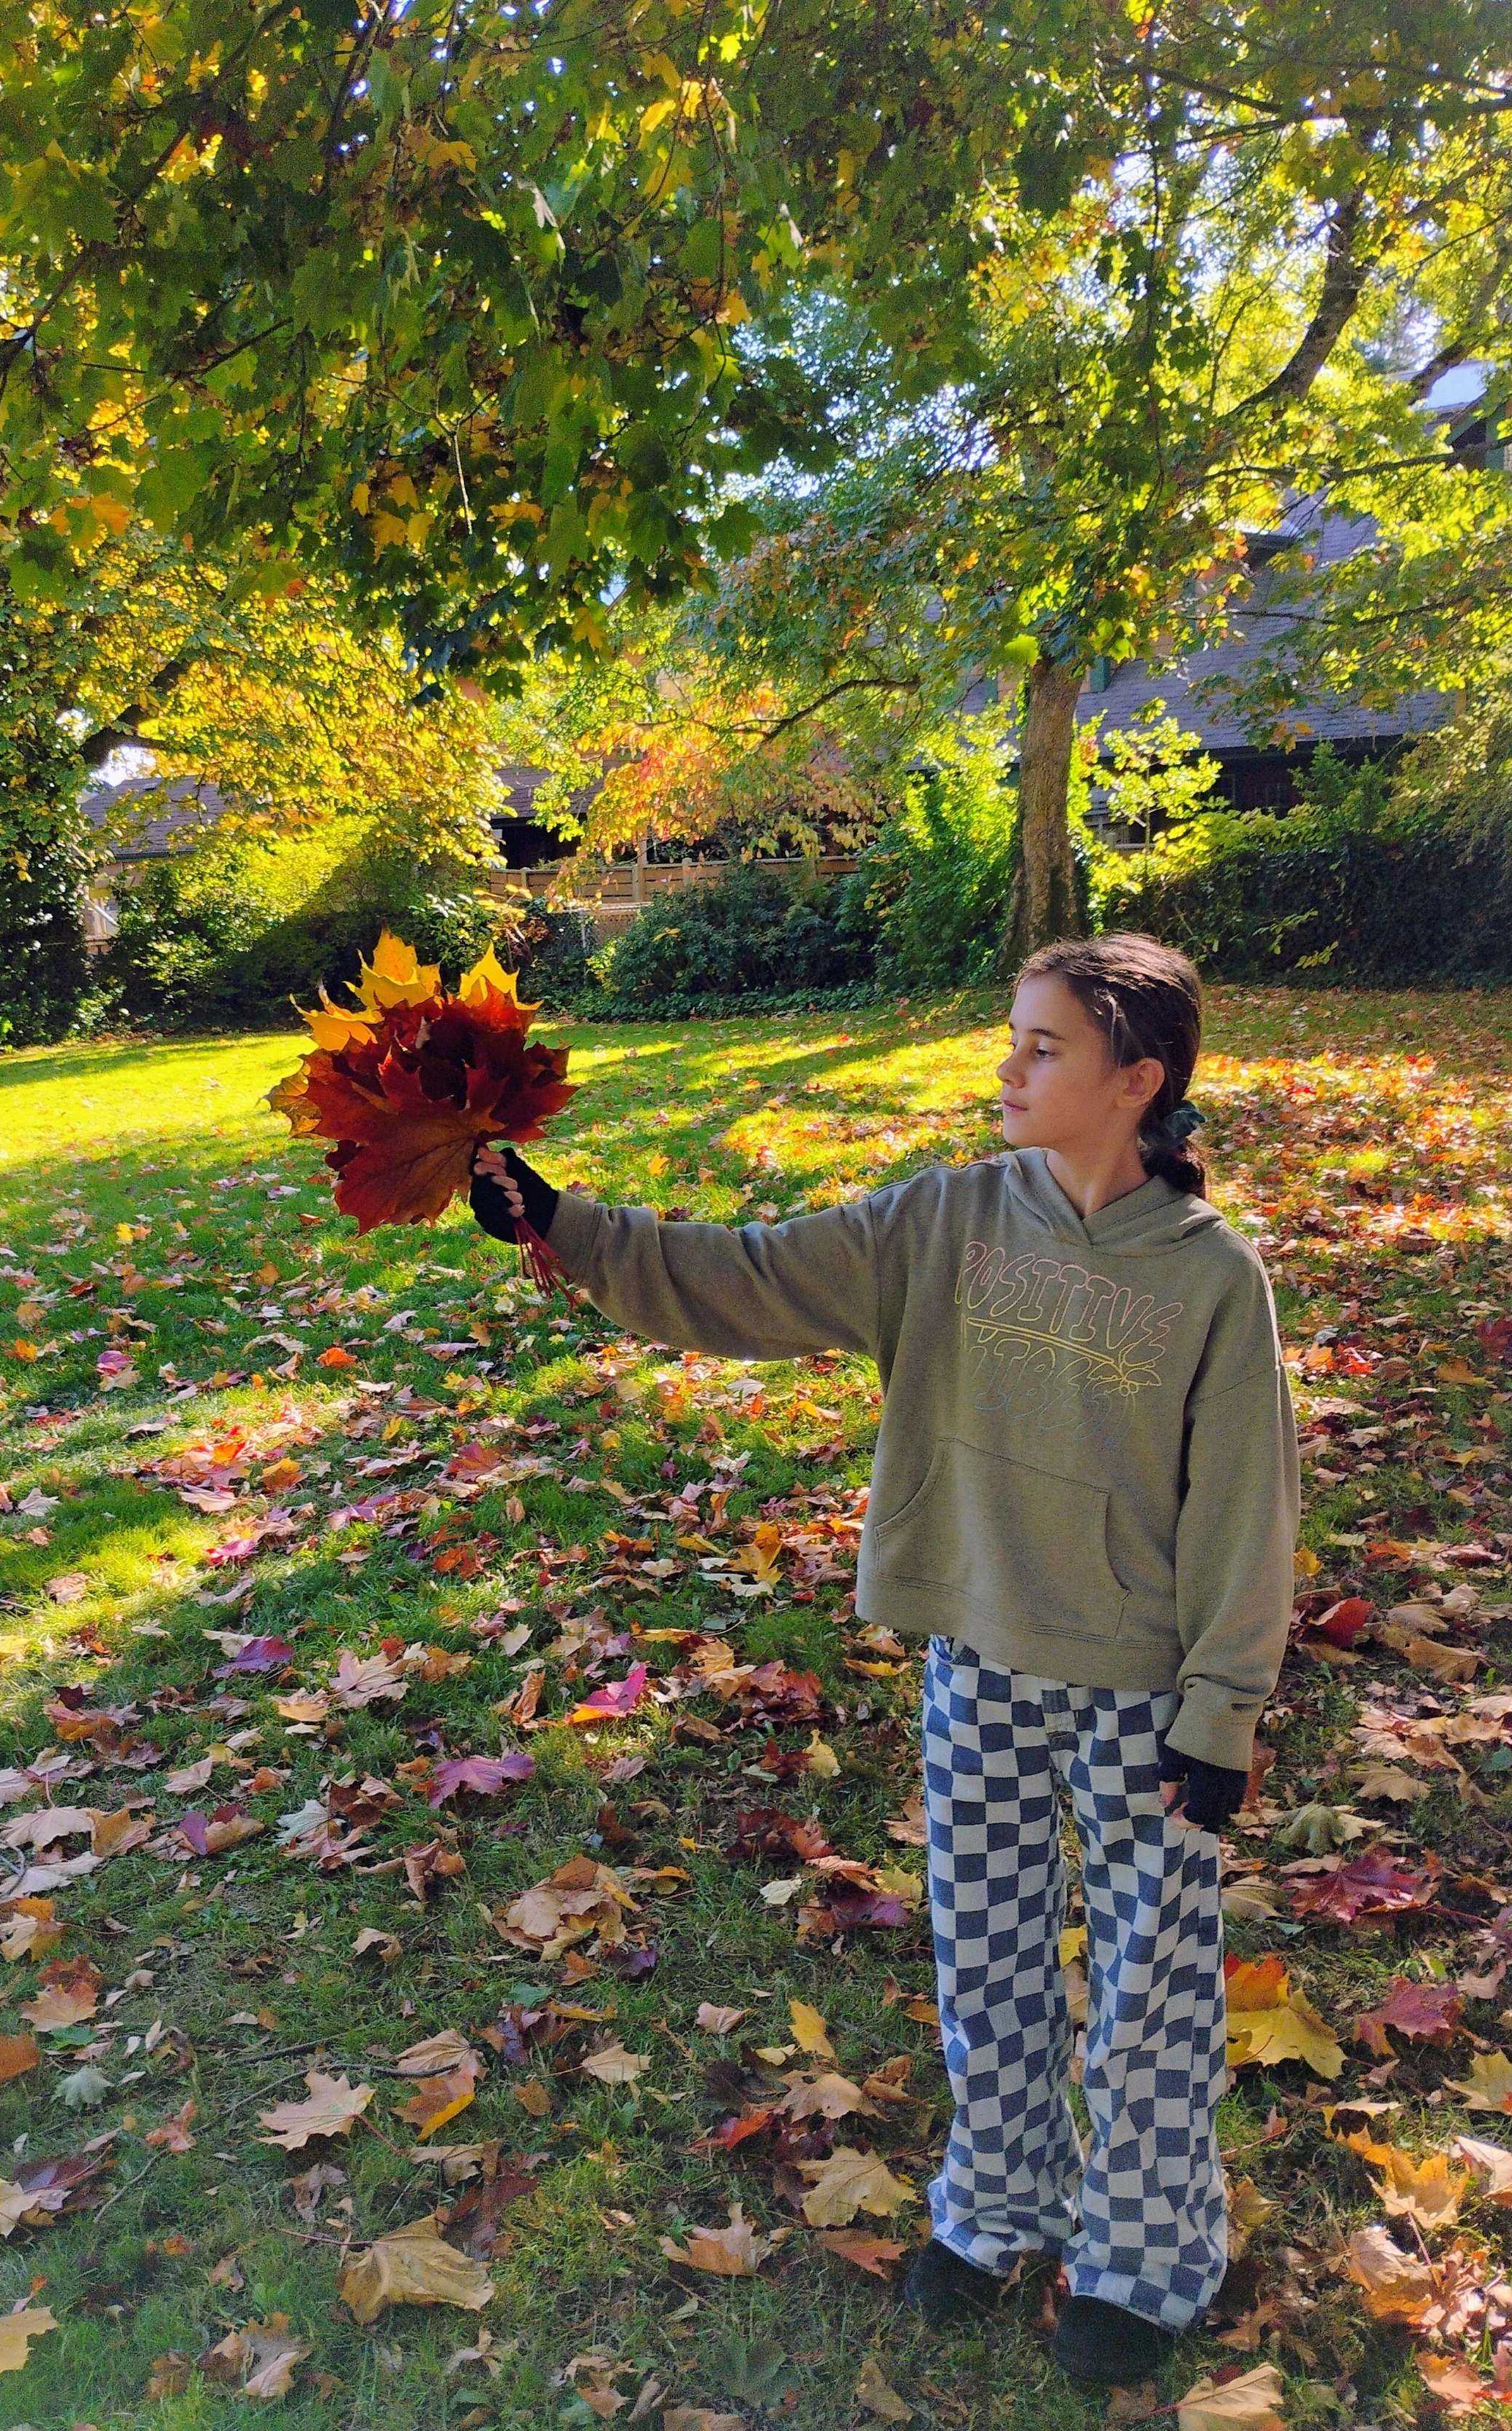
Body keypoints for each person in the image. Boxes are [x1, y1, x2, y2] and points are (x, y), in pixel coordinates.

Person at [467, 933, 1297, 2388]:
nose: (1009, 1068)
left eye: (1043, 1046)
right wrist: (568, 1225)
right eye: (1011, 1037)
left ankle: (1144, 2256)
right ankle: (996, 2210)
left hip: (1144, 1699)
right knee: (985, 1968)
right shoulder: (944, 1222)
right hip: (978, 1669)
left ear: (1136, 1080)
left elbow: (1245, 1507)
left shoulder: (1212, 1279)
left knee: (1149, 1993)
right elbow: (750, 1276)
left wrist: (1219, 1712)